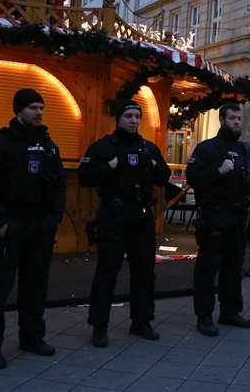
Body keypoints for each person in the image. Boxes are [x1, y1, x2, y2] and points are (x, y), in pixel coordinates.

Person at [0, 88, 67, 369]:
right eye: (33, 108)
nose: (39, 112)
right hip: (9, 226)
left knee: (36, 286)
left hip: (40, 226)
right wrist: (0, 223)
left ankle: (32, 336)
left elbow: (60, 182)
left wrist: (54, 218)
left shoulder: (49, 145)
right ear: (18, 110)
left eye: (41, 108)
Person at [78, 100, 171, 347]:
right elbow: (84, 177)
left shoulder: (148, 148)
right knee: (108, 271)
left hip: (142, 215)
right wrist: (109, 166)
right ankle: (99, 326)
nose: (134, 121)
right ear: (118, 118)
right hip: (114, 214)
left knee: (144, 271)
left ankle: (141, 321)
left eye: (137, 116)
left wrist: (153, 165)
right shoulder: (103, 147)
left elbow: (165, 177)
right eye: (129, 116)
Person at [186, 103, 250, 336]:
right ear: (222, 120)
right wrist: (217, 171)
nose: (237, 122)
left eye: (239, 118)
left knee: (233, 266)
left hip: (238, 217)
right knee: (208, 268)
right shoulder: (207, 149)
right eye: (232, 118)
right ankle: (204, 316)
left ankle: (230, 311)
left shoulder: (246, 150)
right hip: (215, 216)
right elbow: (194, 179)